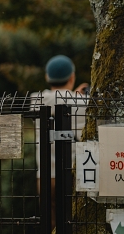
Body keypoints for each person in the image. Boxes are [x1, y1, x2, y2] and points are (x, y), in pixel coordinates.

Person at [33, 55, 89, 192]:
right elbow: (68, 101)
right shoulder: (85, 103)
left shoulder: (36, 100)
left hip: (46, 175)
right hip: (75, 173)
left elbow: (58, 99)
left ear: (47, 77)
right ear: (72, 77)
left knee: (49, 212)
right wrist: (79, 96)